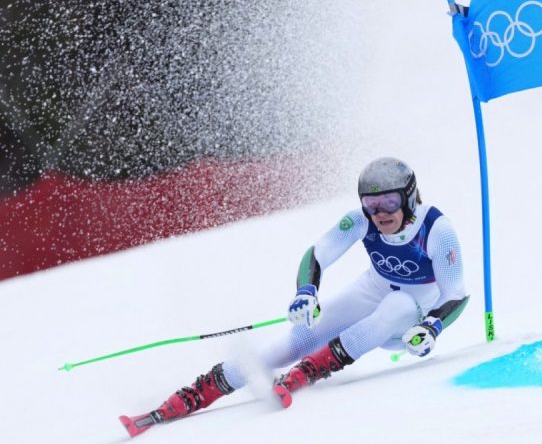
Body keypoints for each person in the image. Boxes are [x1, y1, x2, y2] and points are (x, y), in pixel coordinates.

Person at [120, 157, 469, 437]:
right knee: (294, 341)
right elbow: (318, 253)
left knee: (394, 308)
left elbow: (456, 294)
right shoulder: (361, 220)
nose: (380, 214)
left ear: (408, 196)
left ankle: (306, 374)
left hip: (414, 311)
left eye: (389, 202)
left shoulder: (438, 230)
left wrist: (432, 328)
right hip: (374, 288)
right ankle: (195, 394)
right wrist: (307, 292)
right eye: (371, 204)